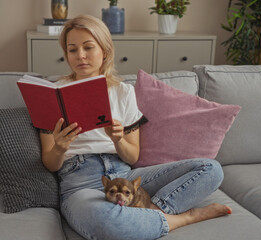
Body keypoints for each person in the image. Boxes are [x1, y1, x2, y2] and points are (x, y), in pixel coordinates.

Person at [40, 14, 232, 240]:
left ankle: (152, 213)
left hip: (126, 175)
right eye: (72, 50)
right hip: (80, 181)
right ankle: (184, 218)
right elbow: (50, 164)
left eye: (88, 47)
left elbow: (132, 156)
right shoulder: (53, 95)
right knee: (106, 224)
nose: (80, 55)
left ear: (105, 50)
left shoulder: (123, 92)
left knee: (211, 169)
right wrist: (60, 148)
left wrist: (118, 140)